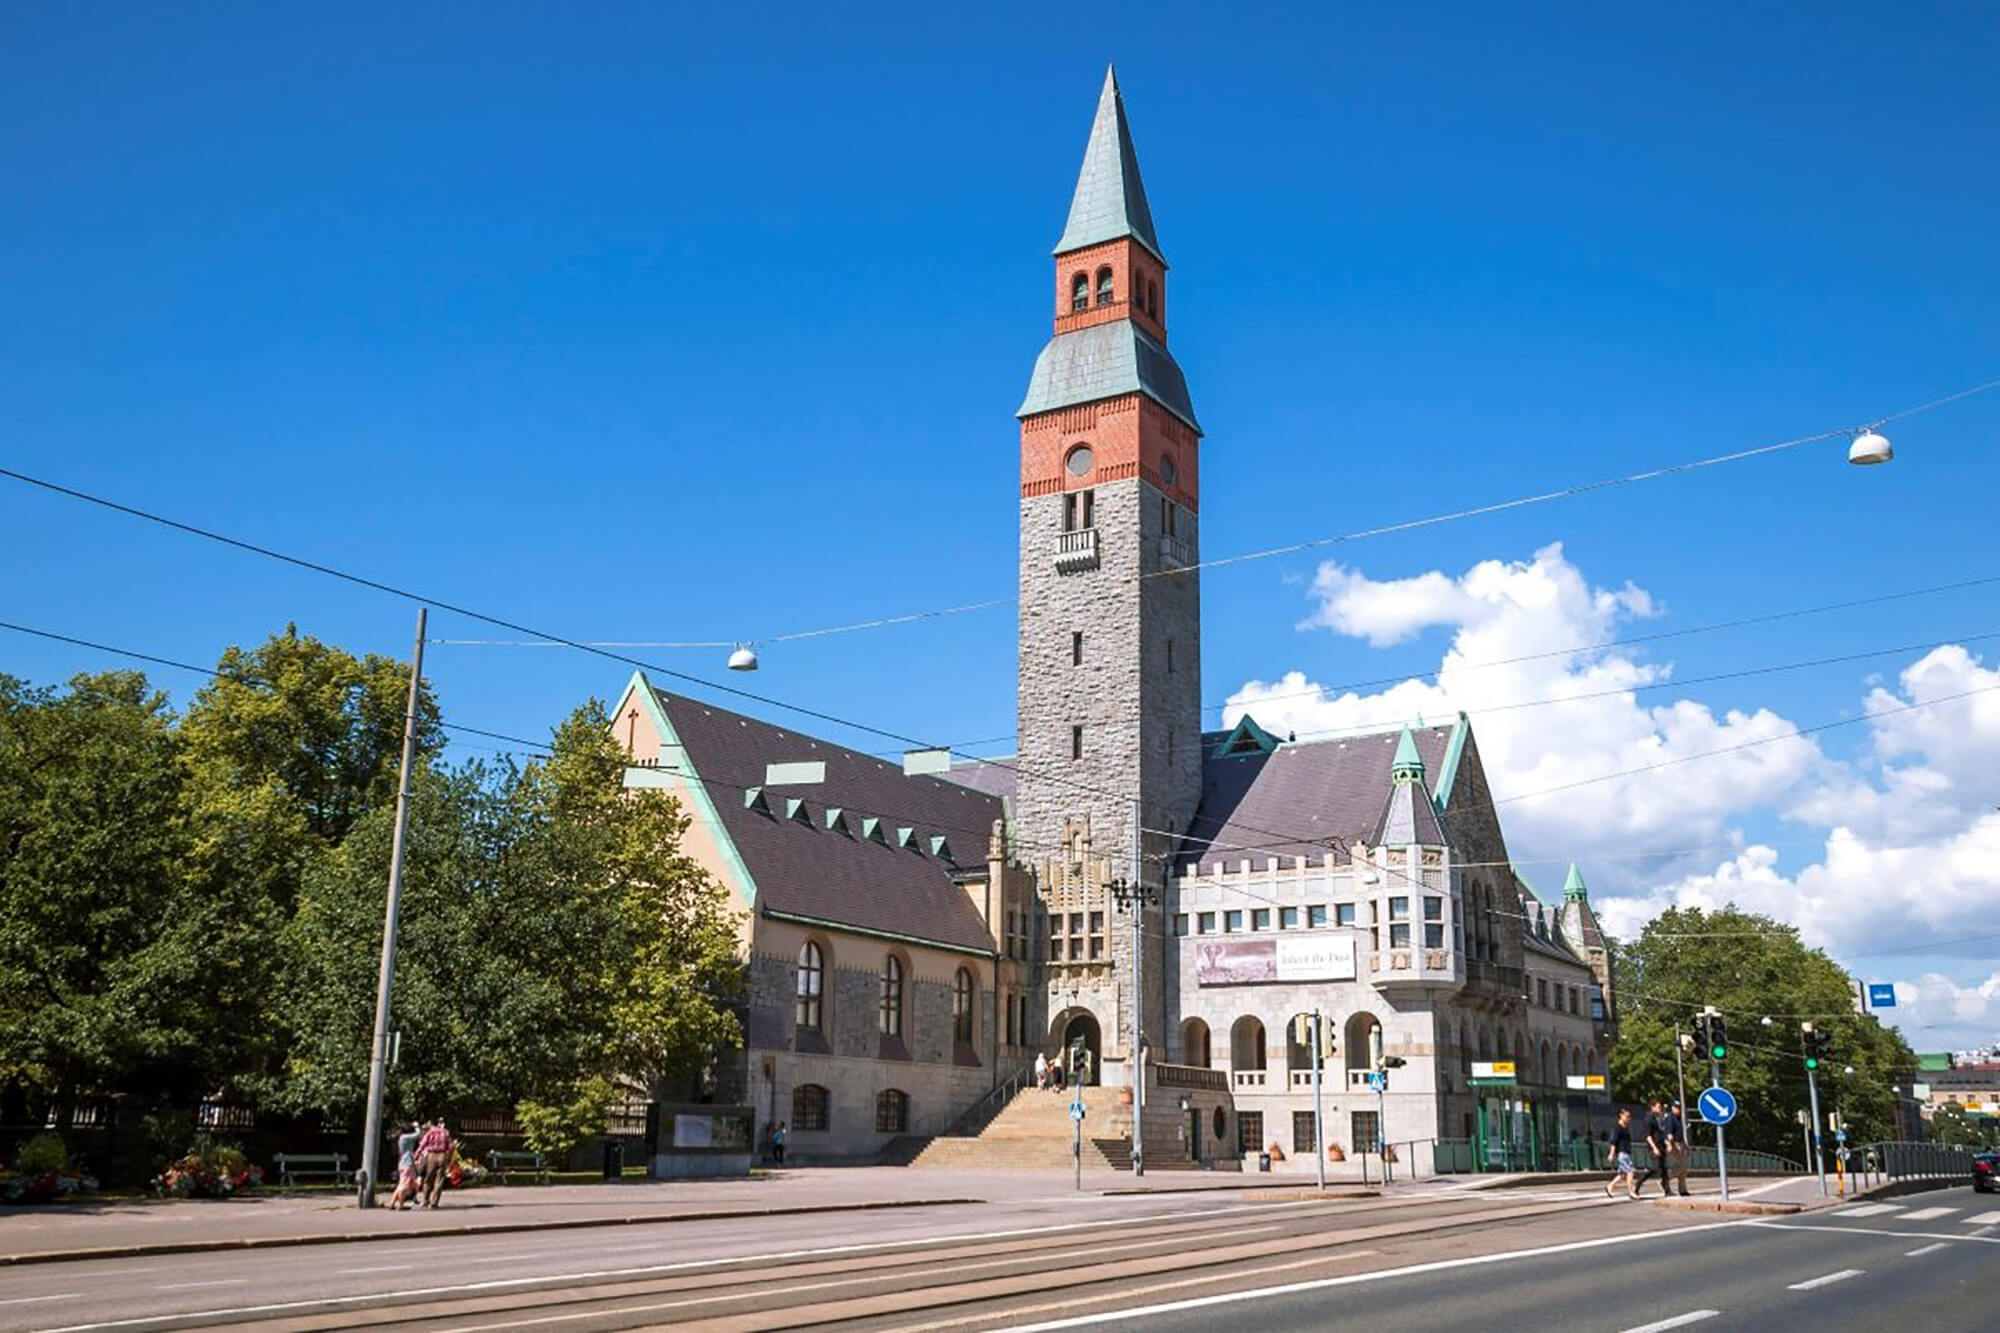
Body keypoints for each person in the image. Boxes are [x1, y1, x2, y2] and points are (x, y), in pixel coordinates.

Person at [416, 1118, 454, 1209]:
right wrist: (449, 1158)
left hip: (432, 1155)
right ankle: (434, 1202)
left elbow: (422, 1145)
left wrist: (416, 1156)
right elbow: (451, 1147)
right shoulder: (445, 1132)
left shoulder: (430, 1133)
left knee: (428, 1178)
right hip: (442, 1155)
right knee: (439, 1180)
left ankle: (425, 1201)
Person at [1604, 1108, 1639, 1199]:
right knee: (1630, 1171)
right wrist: (1612, 1153)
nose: (1629, 1118)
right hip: (1622, 1153)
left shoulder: (1626, 1127)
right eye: (1627, 1116)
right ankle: (1631, 1192)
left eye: (1629, 1117)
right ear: (1621, 1115)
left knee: (1623, 1174)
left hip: (1626, 1152)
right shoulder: (1617, 1127)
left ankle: (1610, 1186)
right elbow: (1613, 1141)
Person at [387, 1121, 421, 1210]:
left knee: (401, 1184)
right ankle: (400, 1205)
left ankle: (392, 1203)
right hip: (407, 1164)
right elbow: (417, 1134)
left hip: (403, 1163)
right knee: (404, 1186)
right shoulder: (405, 1137)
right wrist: (417, 1126)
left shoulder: (401, 1137)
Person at [1640, 1099, 1669, 1196]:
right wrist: (1654, 1148)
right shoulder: (1649, 1118)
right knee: (1655, 1168)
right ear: (1653, 1107)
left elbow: (1661, 1132)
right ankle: (1638, 1184)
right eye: (1658, 1107)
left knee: (1664, 1169)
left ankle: (1667, 1190)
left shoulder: (1658, 1118)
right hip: (1654, 1146)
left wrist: (1666, 1143)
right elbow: (1648, 1136)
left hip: (1661, 1145)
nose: (1660, 1109)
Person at [1663, 1100, 1691, 1197]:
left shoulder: (1680, 1119)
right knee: (1679, 1166)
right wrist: (1671, 1145)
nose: (1678, 1109)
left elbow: (1681, 1134)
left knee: (1683, 1168)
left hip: (1680, 1143)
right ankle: (1665, 1179)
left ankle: (1682, 1189)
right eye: (1676, 1107)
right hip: (1674, 1144)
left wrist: (1686, 1146)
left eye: (1679, 1107)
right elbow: (1669, 1133)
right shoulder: (1671, 1118)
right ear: (1672, 1108)